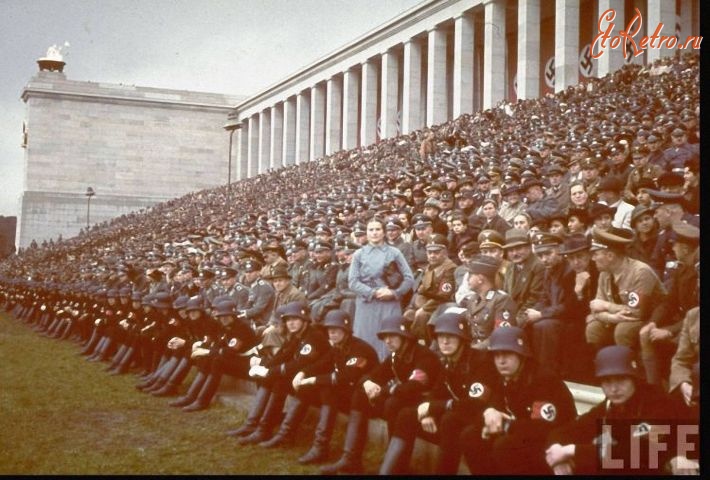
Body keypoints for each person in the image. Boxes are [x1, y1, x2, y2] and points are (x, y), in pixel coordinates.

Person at [545, 345, 694, 475]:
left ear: (634, 378)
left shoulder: (657, 403)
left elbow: (637, 452)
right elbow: (567, 431)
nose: (614, 389)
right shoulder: (610, 405)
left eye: (621, 380)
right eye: (607, 381)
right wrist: (557, 453)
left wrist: (570, 451)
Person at [320, 315, 440, 474]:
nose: (387, 341)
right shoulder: (395, 356)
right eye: (385, 337)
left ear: (405, 336)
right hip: (403, 400)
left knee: (394, 403)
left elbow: (413, 387)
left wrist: (383, 390)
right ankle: (350, 459)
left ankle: (397, 466)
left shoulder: (424, 355)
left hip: (426, 405)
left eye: (392, 336)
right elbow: (373, 375)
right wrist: (368, 383)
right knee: (361, 395)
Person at [377, 312, 495, 474]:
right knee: (407, 415)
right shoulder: (447, 362)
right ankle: (392, 471)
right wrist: (427, 413)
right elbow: (436, 394)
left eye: (451, 336)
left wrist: (433, 408)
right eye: (441, 336)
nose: (445, 341)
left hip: (479, 418)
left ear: (462, 338)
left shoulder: (480, 361)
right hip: (457, 413)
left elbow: (475, 404)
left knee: (449, 420)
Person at [459, 326, 576, 474]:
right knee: (470, 436)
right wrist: (490, 412)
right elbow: (491, 402)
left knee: (504, 445)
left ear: (522, 355)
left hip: (554, 443)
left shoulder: (542, 379)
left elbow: (541, 428)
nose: (501, 361)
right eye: (497, 355)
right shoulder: (503, 374)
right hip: (521, 434)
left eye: (507, 354)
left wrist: (505, 425)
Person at [288, 309, 379, 465]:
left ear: (346, 331)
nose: (332, 334)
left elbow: (346, 377)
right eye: (329, 331)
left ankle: (345, 456)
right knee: (323, 388)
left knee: (326, 387)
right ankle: (315, 445)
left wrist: (312, 380)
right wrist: (303, 372)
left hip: (370, 399)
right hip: (350, 393)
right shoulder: (338, 346)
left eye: (336, 331)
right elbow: (323, 363)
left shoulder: (359, 348)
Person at [235, 301, 329, 445]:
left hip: (319, 382)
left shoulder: (314, 336)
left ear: (305, 320)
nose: (291, 323)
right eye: (288, 320)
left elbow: (301, 363)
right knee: (270, 379)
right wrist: (264, 366)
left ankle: (281, 433)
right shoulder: (298, 335)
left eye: (295, 319)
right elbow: (283, 355)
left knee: (279, 381)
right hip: (302, 376)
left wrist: (269, 371)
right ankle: (254, 425)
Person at [585, 227, 666, 354]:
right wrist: (612, 317)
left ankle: (631, 369)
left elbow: (636, 312)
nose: (593, 259)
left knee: (623, 330)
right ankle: (604, 367)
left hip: (651, 318)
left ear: (610, 256)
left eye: (596, 254)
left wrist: (607, 305)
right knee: (593, 328)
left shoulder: (640, 272)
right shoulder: (604, 274)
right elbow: (595, 309)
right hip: (621, 317)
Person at [348, 217, 414, 360]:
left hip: (389, 302)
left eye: (378, 229)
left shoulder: (394, 252)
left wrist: (394, 292)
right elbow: (352, 282)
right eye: (371, 230)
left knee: (389, 339)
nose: (374, 233)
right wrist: (373, 292)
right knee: (365, 340)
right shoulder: (359, 254)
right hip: (367, 302)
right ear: (366, 233)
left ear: (384, 232)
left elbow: (409, 278)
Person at [403, 233, 456, 345]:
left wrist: (424, 307)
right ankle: (410, 343)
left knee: (420, 315)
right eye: (429, 252)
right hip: (428, 303)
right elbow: (421, 289)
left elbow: (444, 296)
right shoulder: (430, 267)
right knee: (407, 315)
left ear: (445, 253)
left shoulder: (449, 269)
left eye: (436, 252)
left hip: (442, 305)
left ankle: (425, 344)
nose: (432, 255)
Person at [463, 254, 516, 348]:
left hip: (492, 351)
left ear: (480, 279)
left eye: (470, 275)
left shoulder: (502, 300)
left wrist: (475, 350)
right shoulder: (472, 300)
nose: (467, 279)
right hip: (473, 349)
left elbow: (502, 335)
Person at [501, 229, 546, 328]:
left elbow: (534, 298)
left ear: (529, 247)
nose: (514, 253)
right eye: (511, 250)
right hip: (511, 312)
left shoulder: (538, 266)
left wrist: (516, 320)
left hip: (528, 312)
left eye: (519, 248)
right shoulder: (510, 267)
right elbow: (506, 294)